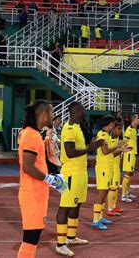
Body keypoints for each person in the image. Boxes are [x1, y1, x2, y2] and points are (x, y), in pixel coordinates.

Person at [17, 100, 66, 258]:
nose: (53, 116)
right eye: (51, 113)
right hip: (33, 194)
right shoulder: (32, 135)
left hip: (34, 192)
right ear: (44, 114)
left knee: (33, 238)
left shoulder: (31, 132)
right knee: (30, 239)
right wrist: (50, 179)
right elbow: (28, 167)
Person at [56, 102, 105, 256]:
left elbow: (80, 148)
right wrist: (89, 148)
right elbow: (70, 152)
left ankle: (71, 237)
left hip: (80, 171)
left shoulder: (77, 126)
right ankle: (60, 243)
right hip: (70, 171)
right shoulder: (69, 127)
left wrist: (90, 146)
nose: (84, 113)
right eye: (82, 110)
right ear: (75, 111)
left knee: (76, 204)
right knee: (65, 206)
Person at [91, 115, 127, 230]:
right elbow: (105, 151)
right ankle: (95, 220)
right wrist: (118, 145)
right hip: (103, 168)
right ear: (110, 124)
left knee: (105, 193)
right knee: (101, 194)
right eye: (113, 124)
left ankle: (100, 217)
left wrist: (121, 150)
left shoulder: (105, 135)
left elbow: (110, 153)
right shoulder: (102, 135)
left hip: (107, 167)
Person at [107, 120, 127, 216]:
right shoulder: (110, 139)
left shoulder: (117, 139)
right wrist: (121, 149)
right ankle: (110, 208)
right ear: (113, 129)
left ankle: (114, 206)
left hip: (116, 166)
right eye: (118, 129)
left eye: (121, 129)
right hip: (112, 166)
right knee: (112, 188)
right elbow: (112, 154)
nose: (120, 131)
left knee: (116, 188)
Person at [121, 114, 139, 203]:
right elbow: (124, 140)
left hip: (133, 153)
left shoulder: (134, 129)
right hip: (129, 154)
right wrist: (123, 150)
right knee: (128, 173)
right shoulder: (129, 129)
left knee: (130, 174)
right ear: (133, 120)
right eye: (137, 119)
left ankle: (127, 192)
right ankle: (123, 195)